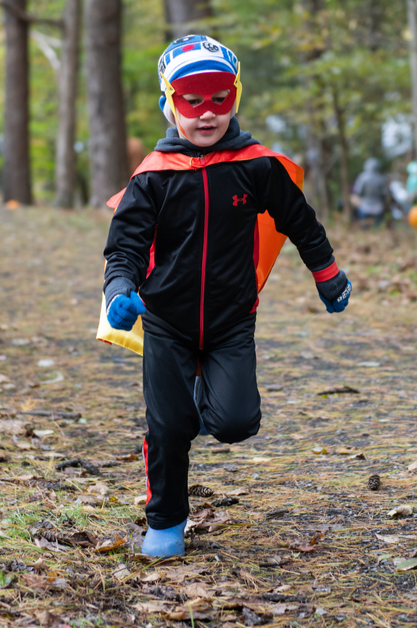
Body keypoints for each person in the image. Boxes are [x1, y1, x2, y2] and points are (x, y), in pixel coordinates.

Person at [100, 35, 352, 558]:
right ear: (169, 104)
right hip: (165, 321)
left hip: (230, 321)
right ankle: (166, 524)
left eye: (220, 98)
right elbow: (124, 247)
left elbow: (300, 221)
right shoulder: (153, 178)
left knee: (236, 422)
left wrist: (326, 274)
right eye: (192, 100)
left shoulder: (255, 167)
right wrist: (119, 291)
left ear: (236, 97)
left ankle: (199, 400)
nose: (207, 113)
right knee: (168, 428)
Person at [351, 157, 392, 229]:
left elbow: (358, 192)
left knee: (364, 228)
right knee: (377, 229)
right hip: (378, 208)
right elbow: (385, 194)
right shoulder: (381, 178)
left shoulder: (362, 177)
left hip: (364, 207)